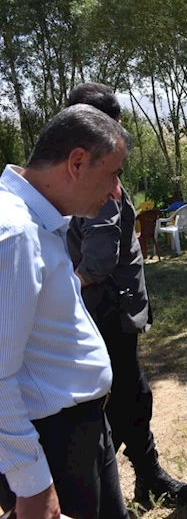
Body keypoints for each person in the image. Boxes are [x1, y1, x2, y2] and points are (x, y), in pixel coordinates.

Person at [65, 82, 187, 506]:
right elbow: (97, 264)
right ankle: (117, 483)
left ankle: (142, 477)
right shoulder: (102, 182)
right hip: (108, 313)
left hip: (103, 311)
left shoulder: (74, 171)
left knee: (127, 397)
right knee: (129, 399)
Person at [0, 105, 131, 519]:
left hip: (82, 429)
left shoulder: (41, 222)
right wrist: (33, 483)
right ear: (76, 162)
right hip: (53, 444)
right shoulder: (15, 233)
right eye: (112, 173)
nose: (116, 191)